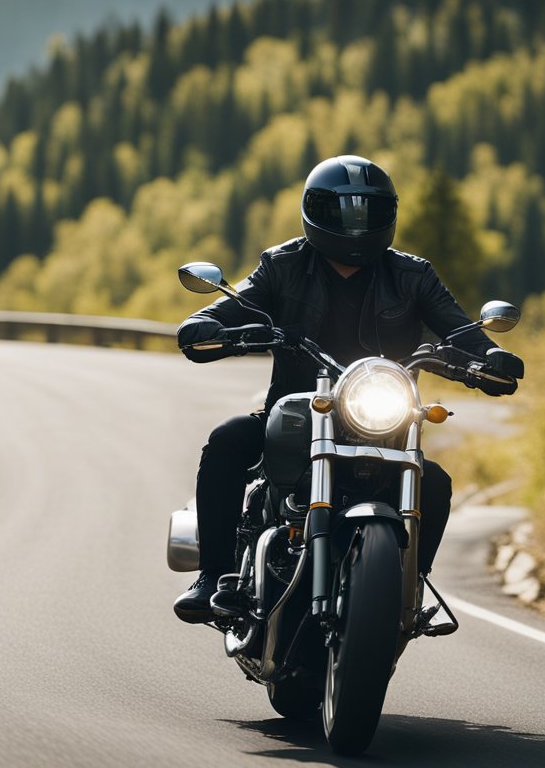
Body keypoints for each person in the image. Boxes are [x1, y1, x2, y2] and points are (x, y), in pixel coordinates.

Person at [173, 155, 521, 623]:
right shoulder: (283, 266)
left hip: (381, 426)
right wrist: (206, 325)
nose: (356, 222)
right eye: (342, 211)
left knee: (432, 483)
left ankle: (407, 592)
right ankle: (214, 574)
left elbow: (460, 332)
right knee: (229, 440)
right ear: (316, 211)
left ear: (388, 215)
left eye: (369, 211)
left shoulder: (413, 276)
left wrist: (488, 358)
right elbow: (234, 308)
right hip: (295, 416)